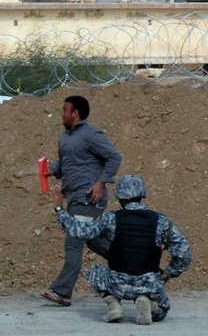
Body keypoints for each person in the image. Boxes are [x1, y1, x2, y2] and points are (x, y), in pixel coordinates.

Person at [51, 175, 191, 324]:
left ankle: (114, 305)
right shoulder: (161, 221)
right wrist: (167, 274)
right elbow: (184, 254)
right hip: (148, 283)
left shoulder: (111, 219)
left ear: (119, 197)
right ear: (142, 195)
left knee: (95, 271)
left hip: (117, 284)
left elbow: (80, 231)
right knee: (162, 310)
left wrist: (59, 209)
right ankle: (150, 305)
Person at [41, 95, 122, 307]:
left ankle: (63, 292)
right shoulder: (65, 137)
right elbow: (69, 163)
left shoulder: (91, 134)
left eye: (64, 109)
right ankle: (133, 264)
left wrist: (101, 182)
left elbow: (114, 157)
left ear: (75, 113)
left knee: (74, 242)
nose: (62, 113)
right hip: (75, 198)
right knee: (96, 241)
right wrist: (54, 169)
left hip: (89, 198)